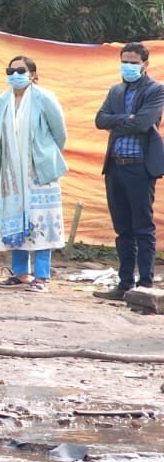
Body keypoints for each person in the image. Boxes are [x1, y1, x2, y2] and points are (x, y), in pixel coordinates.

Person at [94, 42, 164, 300]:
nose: (129, 66)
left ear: (145, 64)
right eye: (125, 61)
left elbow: (145, 123)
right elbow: (100, 120)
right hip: (115, 166)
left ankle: (145, 285)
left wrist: (120, 121)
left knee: (142, 228)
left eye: (134, 62)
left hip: (139, 167)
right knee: (123, 229)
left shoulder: (156, 89)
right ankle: (124, 285)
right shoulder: (116, 91)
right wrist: (128, 119)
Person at [0, 55, 67, 292]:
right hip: (11, 173)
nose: (15, 75)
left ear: (33, 74)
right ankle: (20, 273)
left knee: (41, 222)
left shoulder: (44, 97)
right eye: (10, 71)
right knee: (14, 219)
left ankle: (42, 276)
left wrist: (44, 155)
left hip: (38, 171)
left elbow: (59, 132)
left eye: (20, 70)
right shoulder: (3, 100)